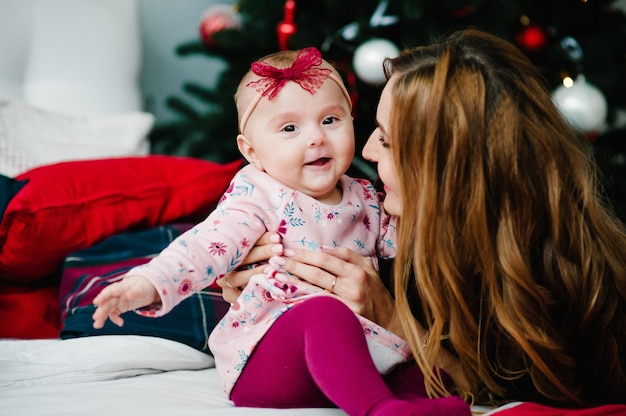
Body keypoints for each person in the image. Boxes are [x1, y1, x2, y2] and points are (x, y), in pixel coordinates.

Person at [223, 29, 626, 409]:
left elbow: (501, 391)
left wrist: (389, 316)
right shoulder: (392, 223)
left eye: (386, 140)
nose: (366, 151)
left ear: (447, 170)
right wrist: (245, 281)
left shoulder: (560, 285)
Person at [92, 47, 471, 415]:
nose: (316, 138)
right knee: (323, 313)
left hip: (358, 350)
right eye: (290, 128)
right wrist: (148, 283)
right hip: (269, 358)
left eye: (330, 120)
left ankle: (420, 408)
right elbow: (205, 246)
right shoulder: (258, 196)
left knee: (415, 368)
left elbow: (412, 245)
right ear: (252, 151)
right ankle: (378, 409)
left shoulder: (368, 198)